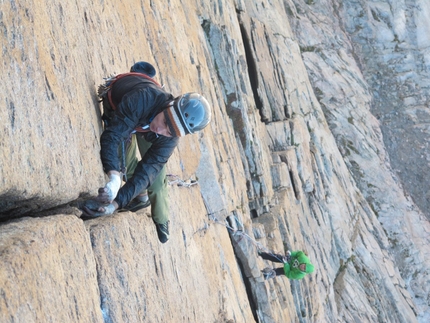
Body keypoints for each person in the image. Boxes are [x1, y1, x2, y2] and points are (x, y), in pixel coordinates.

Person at [81, 61, 211, 244]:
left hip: (144, 125)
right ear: (168, 106)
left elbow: (149, 170)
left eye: (171, 131)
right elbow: (113, 135)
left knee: (156, 181)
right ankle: (139, 195)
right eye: (166, 122)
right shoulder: (143, 99)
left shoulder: (169, 135)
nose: (162, 130)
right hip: (129, 113)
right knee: (122, 164)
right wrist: (114, 178)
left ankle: (160, 217)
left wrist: (114, 205)